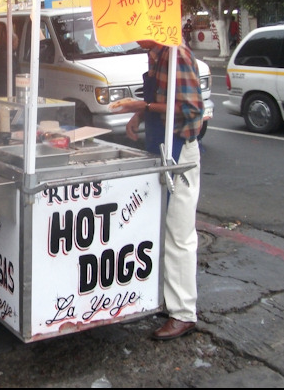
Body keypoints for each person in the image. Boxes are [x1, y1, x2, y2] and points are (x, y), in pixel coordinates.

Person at [109, 40, 203, 341]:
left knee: (179, 234)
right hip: (161, 148)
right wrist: (140, 116)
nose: (134, 38)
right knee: (160, 229)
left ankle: (184, 313)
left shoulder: (178, 55)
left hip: (180, 153)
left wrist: (143, 106)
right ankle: (167, 299)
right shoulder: (156, 55)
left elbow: (190, 110)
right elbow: (162, 100)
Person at [0, 23, 19, 96]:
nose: (17, 44)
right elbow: (14, 75)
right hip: (7, 92)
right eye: (17, 42)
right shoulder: (9, 57)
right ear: (13, 43)